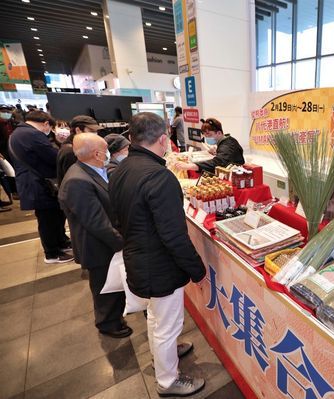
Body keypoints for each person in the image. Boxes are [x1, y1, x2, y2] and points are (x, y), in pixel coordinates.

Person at [109, 112, 207, 397]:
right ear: (163, 139)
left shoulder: (121, 168)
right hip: (159, 266)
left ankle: (164, 352)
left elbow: (117, 219)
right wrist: (197, 271)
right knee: (167, 322)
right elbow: (175, 236)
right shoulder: (159, 177)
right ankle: (167, 381)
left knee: (156, 318)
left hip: (138, 259)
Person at [58, 133, 130, 338]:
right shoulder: (77, 181)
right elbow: (97, 223)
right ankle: (108, 323)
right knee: (103, 287)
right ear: (98, 153)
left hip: (104, 242)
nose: (109, 152)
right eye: (106, 148)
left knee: (111, 284)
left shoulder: (92, 170)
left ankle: (114, 317)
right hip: (97, 246)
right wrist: (122, 244)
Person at [8, 110, 73, 263]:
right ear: (45, 124)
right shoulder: (33, 135)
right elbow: (53, 157)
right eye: (49, 128)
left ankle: (61, 242)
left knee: (54, 216)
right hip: (39, 184)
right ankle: (52, 253)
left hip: (34, 182)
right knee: (48, 219)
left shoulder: (18, 133)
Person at [174, 118, 244, 174]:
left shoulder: (228, 145)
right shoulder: (226, 141)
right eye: (205, 135)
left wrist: (191, 166)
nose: (207, 137)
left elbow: (218, 162)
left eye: (209, 135)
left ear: (219, 133)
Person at [57, 115, 103, 186]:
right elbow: (73, 181)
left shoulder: (75, 147)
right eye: (91, 131)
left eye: (96, 131)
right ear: (78, 130)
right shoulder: (70, 151)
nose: (95, 134)